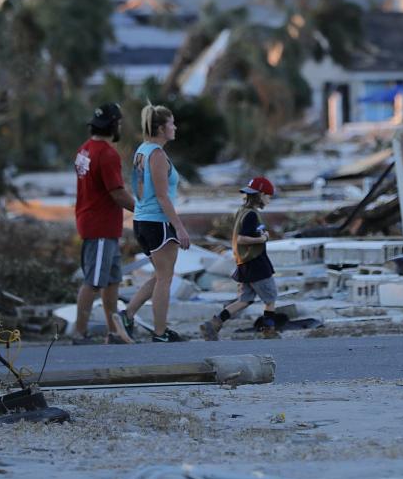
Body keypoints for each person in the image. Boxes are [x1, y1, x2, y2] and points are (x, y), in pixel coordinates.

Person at [120, 102, 191, 342]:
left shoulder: (143, 149)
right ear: (161, 128)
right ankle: (160, 332)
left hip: (142, 221)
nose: (175, 127)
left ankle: (128, 313)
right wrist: (179, 227)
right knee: (165, 278)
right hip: (157, 222)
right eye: (171, 123)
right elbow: (162, 196)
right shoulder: (158, 155)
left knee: (161, 274)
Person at [71, 102, 136, 345]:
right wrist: (143, 211)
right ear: (113, 124)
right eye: (118, 123)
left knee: (111, 280)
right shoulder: (107, 154)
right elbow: (117, 193)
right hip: (100, 226)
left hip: (99, 224)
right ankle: (79, 333)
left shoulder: (85, 149)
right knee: (94, 281)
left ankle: (113, 331)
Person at [199, 176, 280, 341]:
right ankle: (269, 330)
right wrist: (262, 239)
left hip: (244, 263)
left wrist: (261, 233)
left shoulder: (242, 211)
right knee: (270, 297)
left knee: (245, 300)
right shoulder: (251, 214)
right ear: (261, 195)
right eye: (268, 196)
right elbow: (242, 238)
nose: (269, 200)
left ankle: (214, 324)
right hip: (256, 263)